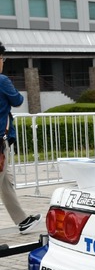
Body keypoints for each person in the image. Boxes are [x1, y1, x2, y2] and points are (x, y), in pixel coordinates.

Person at [0, 42, 41, 234]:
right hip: (0, 140)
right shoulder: (2, 80)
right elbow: (17, 100)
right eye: (2, 58)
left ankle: (23, 220)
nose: (3, 62)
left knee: (5, 183)